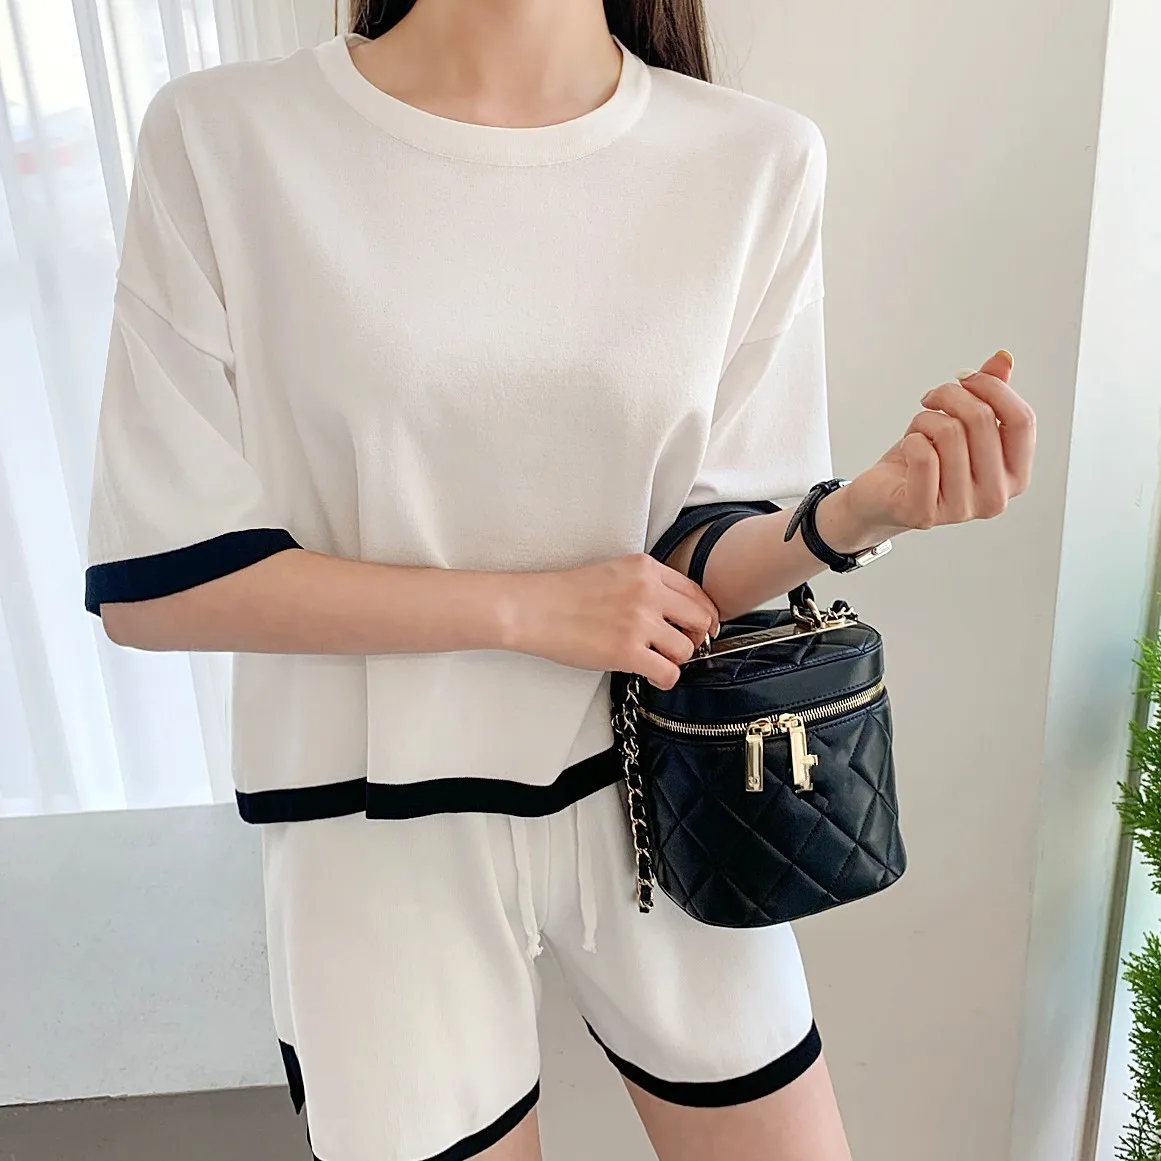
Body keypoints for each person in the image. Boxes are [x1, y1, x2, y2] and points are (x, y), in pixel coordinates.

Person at [83, 1, 1036, 1158]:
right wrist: (531, 610)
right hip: (375, 831)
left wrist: (856, 515)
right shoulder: (226, 139)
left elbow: (700, 549)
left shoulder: (754, 158)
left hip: (665, 795)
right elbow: (154, 581)